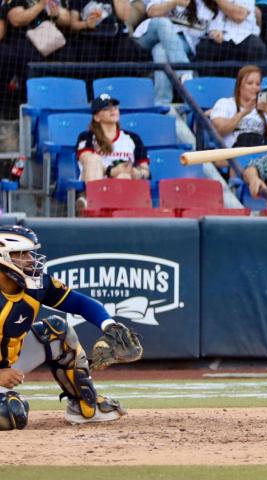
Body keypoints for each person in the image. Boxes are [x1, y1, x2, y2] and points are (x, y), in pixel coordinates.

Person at [0, 224, 142, 429]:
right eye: (22, 254)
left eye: (31, 253)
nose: (31, 259)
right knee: (10, 415)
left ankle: (85, 407)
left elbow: (80, 303)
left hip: (9, 362)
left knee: (58, 331)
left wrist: (109, 326)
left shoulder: (36, 284)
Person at [133, 0, 219, 105]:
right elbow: (151, 12)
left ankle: (162, 104)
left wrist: (215, 33)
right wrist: (174, 2)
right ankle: (185, 75)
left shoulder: (209, 6)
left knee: (160, 51)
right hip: (149, 35)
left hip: (183, 44)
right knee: (164, 23)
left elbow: (214, 29)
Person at [76, 94, 150, 183]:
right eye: (106, 108)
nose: (112, 109)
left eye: (114, 107)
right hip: (95, 181)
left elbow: (145, 170)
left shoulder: (133, 138)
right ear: (97, 117)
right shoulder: (87, 136)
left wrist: (136, 173)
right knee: (94, 159)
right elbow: (87, 161)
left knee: (124, 176)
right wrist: (111, 171)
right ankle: (93, 196)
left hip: (122, 184)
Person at [194, 0, 267, 77]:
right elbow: (204, 17)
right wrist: (212, 32)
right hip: (218, 39)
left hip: (244, 36)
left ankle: (264, 87)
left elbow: (239, 15)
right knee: (203, 49)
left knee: (255, 48)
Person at [210, 64, 267, 148]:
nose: (255, 87)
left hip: (259, 154)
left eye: (258, 84)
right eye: (250, 83)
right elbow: (219, 130)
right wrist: (243, 113)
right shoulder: (225, 103)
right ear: (239, 87)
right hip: (232, 155)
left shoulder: (263, 109)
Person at [69, 0, 151, 63]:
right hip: (90, 40)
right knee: (88, 53)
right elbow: (73, 25)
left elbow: (125, 16)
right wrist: (86, 24)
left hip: (114, 38)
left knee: (126, 49)